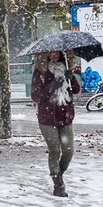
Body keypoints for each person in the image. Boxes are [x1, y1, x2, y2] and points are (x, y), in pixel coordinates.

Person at [31, 51, 80, 197]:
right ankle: (58, 184)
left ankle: (59, 173)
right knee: (54, 150)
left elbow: (76, 90)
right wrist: (51, 87)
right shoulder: (40, 72)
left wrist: (71, 79)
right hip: (47, 117)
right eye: (51, 53)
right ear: (45, 55)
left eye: (57, 53)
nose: (54, 55)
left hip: (65, 115)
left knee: (68, 151)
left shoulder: (66, 70)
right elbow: (35, 95)